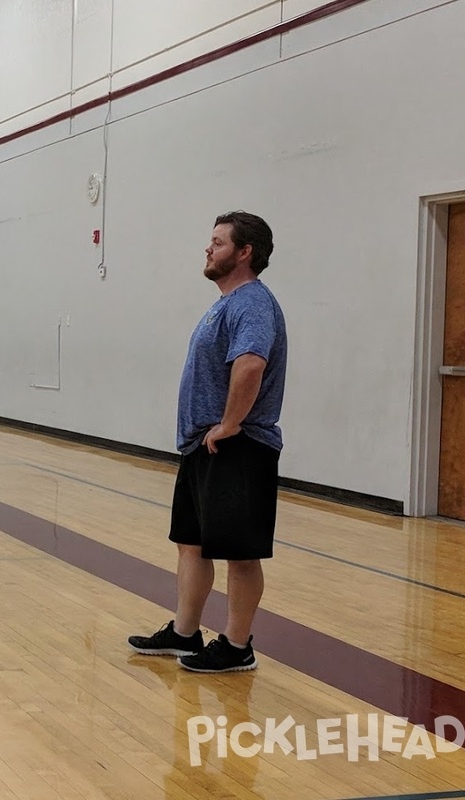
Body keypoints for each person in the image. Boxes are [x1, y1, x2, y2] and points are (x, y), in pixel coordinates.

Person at [128, 211, 287, 673]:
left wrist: (230, 424)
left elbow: (252, 364)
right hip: (204, 447)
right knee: (191, 545)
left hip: (238, 447)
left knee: (240, 553)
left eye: (218, 242)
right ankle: (185, 633)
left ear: (244, 252)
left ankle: (237, 646)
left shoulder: (252, 302)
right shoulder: (226, 303)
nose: (208, 248)